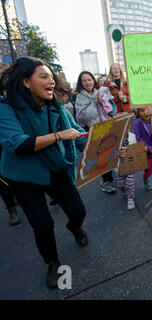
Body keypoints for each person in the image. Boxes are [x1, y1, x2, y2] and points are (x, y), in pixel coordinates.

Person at [0, 56, 88, 288]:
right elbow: (20, 144)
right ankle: (53, 262)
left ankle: (74, 226)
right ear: (27, 82)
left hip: (55, 168)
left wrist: (107, 146)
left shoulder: (55, 106)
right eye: (44, 76)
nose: (52, 81)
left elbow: (77, 133)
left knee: (78, 211)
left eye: (52, 76)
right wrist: (59, 136)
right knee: (42, 224)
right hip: (24, 177)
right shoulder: (6, 108)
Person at [75, 71, 117, 193]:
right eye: (84, 80)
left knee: (110, 152)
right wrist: (95, 103)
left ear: (93, 80)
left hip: (107, 126)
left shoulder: (103, 91)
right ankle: (105, 182)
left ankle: (112, 177)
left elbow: (112, 106)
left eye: (89, 79)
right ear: (81, 83)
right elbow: (81, 118)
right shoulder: (80, 97)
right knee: (101, 157)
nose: (87, 83)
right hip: (93, 129)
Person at [117, 122, 138, 210]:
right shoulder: (114, 139)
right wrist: (117, 154)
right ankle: (124, 191)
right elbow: (109, 154)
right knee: (120, 184)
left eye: (127, 128)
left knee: (129, 183)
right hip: (119, 166)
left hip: (130, 165)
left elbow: (136, 148)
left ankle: (130, 199)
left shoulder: (132, 136)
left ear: (129, 128)